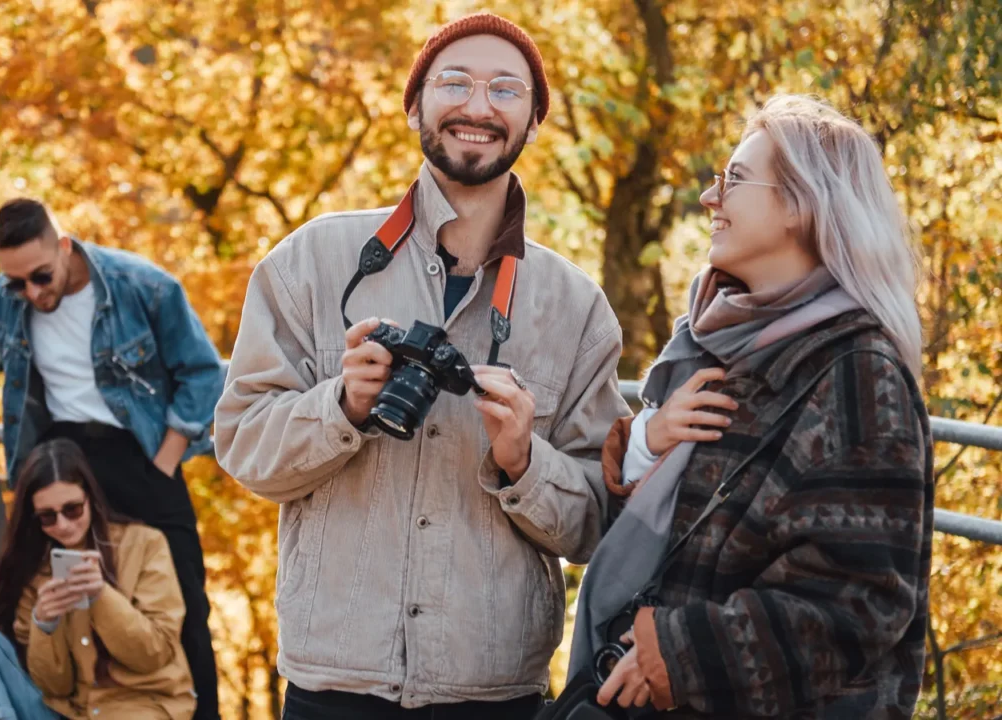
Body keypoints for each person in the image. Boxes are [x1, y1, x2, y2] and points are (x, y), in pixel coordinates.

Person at [214, 11, 631, 719]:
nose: (478, 106)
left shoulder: (576, 307)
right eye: (455, 83)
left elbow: (598, 524)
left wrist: (526, 462)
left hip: (494, 689)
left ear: (533, 124)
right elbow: (243, 449)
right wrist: (339, 407)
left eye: (506, 90)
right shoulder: (310, 263)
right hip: (333, 684)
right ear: (415, 105)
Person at [566, 95, 933, 718]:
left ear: (801, 203)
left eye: (733, 180)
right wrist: (648, 438)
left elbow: (855, 604)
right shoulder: (726, 345)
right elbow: (690, 532)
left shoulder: (858, 374)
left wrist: (673, 657)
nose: (711, 199)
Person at [0, 199, 224, 719]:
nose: (32, 293)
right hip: (58, 457)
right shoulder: (12, 292)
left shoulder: (142, 285)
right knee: (31, 590)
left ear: (63, 246)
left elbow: (203, 372)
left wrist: (165, 461)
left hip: (140, 452)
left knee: (184, 603)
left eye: (40, 277)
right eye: (17, 283)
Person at [0, 438, 196, 719]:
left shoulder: (145, 544)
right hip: (66, 712)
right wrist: (44, 625)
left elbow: (153, 654)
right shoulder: (35, 568)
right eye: (48, 517)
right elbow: (54, 687)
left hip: (139, 709)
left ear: (90, 498)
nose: (62, 525)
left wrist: (102, 596)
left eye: (72, 509)